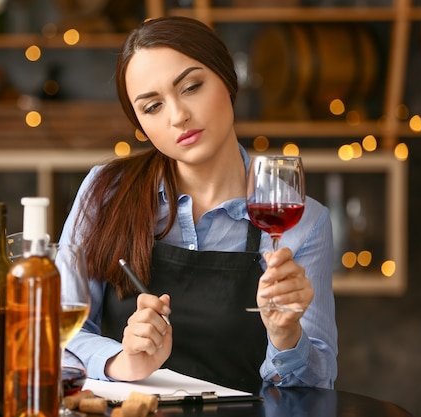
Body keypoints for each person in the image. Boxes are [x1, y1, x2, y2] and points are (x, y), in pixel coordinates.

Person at [59, 15, 337, 393]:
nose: (178, 116)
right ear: (140, 125)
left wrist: (286, 335)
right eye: (152, 107)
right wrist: (120, 360)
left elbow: (318, 387)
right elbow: (56, 334)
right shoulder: (104, 192)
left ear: (227, 78)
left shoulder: (303, 221)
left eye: (191, 87)